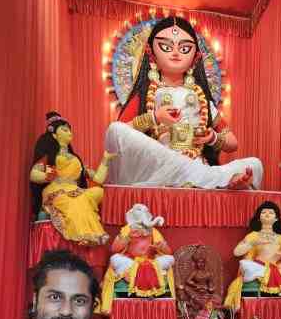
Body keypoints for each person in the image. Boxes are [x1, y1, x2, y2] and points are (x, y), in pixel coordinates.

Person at [104, 16, 263, 190]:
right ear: (151, 53)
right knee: (115, 129)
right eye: (166, 47)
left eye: (184, 48)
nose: (175, 53)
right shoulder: (145, 94)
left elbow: (233, 143)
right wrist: (155, 118)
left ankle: (210, 178)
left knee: (255, 164)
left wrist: (212, 138)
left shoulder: (200, 97)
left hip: (197, 162)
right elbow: (118, 136)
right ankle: (217, 180)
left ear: (195, 57)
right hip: (161, 165)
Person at [30, 111, 117, 246]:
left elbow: (99, 179)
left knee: (100, 191)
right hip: (56, 189)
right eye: (64, 130)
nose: (69, 132)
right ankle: (86, 235)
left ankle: (91, 235)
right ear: (54, 135)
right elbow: (33, 174)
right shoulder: (50, 156)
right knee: (76, 200)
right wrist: (47, 176)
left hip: (75, 189)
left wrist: (105, 159)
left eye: (70, 130)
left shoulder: (76, 159)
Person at [224, 201, 281, 312]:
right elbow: (236, 252)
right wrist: (253, 243)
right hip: (259, 268)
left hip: (279, 268)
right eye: (264, 212)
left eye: (271, 213)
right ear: (258, 218)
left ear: (276, 219)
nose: (267, 214)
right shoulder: (253, 235)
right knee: (246, 265)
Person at [98, 203, 174, 315]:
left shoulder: (153, 231)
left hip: (150, 263)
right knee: (115, 258)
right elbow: (114, 249)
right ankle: (137, 274)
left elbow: (169, 252)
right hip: (131, 263)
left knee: (170, 259)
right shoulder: (127, 229)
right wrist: (127, 238)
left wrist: (161, 247)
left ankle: (146, 278)